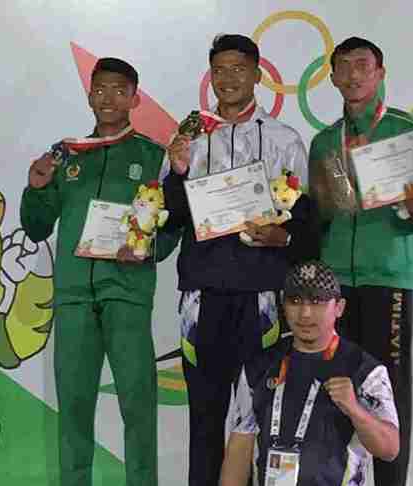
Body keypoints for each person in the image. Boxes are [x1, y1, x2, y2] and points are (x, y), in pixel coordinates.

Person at [161, 34, 318, 486]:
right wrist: (177, 171)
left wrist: (283, 237)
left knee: (259, 415)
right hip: (202, 295)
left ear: (257, 75)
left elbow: (306, 223)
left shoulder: (284, 139)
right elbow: (169, 215)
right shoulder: (189, 138)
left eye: (238, 69)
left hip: (260, 295)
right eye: (219, 70)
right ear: (210, 77)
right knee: (205, 415)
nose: (228, 79)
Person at [20, 57, 179, 486]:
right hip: (74, 297)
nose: (109, 98)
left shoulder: (153, 157)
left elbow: (171, 228)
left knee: (138, 407)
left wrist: (145, 249)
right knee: (73, 407)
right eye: (100, 89)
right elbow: (36, 226)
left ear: (134, 99)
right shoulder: (66, 154)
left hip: (126, 295)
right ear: (89, 95)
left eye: (119, 90)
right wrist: (36, 188)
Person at [307, 36, 413, 486]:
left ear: (380, 73)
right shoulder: (323, 142)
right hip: (334, 288)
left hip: (388, 280)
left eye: (362, 65)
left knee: (389, 398)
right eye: (343, 66)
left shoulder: (408, 132)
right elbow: (316, 220)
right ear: (332, 77)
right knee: (331, 393)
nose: (353, 75)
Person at [220, 260, 400, 486]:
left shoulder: (365, 371)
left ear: (339, 307)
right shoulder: (258, 367)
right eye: (295, 301)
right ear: (283, 305)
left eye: (317, 302)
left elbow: (390, 449)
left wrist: (355, 410)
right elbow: (239, 449)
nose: (305, 314)